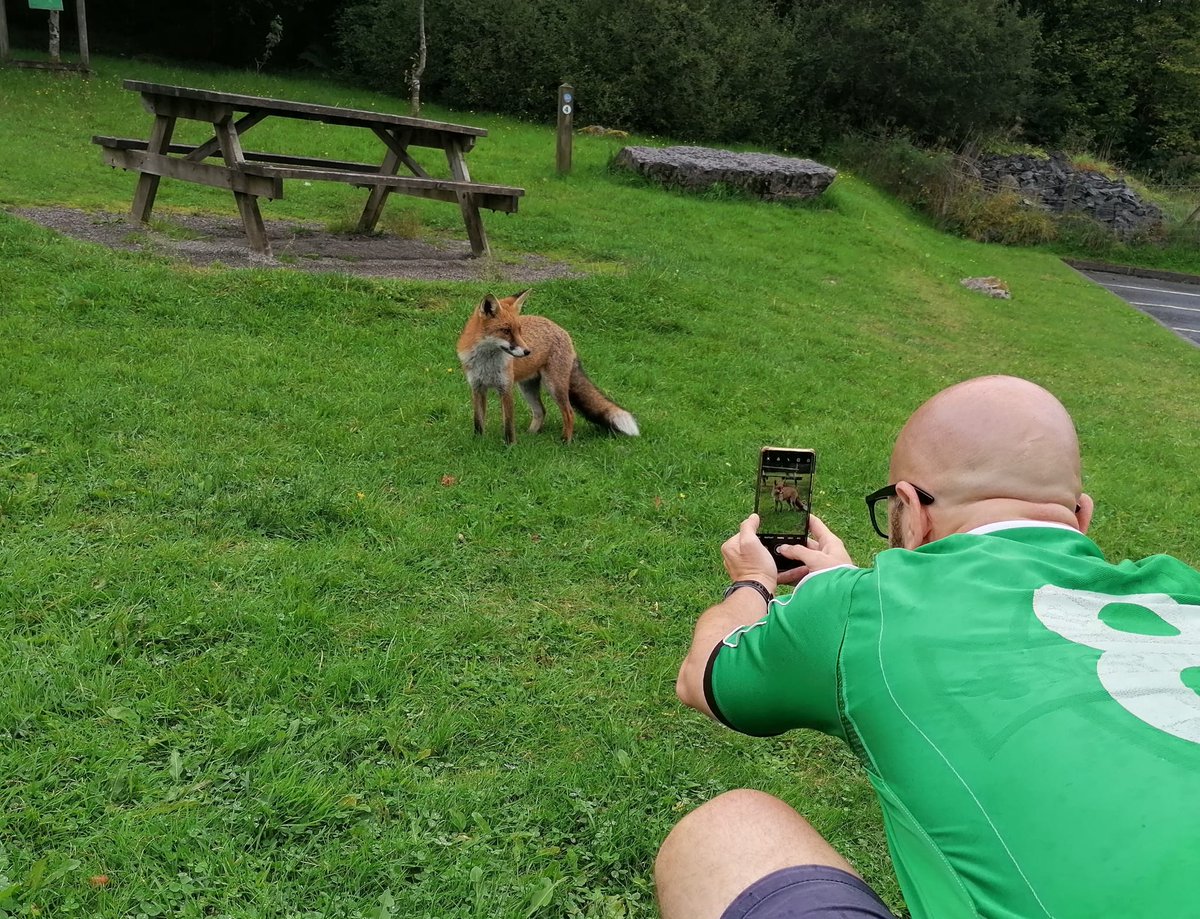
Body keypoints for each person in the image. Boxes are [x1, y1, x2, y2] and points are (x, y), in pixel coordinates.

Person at [657, 375, 1200, 919]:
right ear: (1080, 515)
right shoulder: (1185, 588)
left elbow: (699, 675)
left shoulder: (860, 607)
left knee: (727, 834)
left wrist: (752, 582)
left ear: (911, 510)